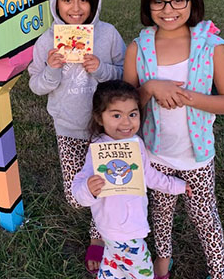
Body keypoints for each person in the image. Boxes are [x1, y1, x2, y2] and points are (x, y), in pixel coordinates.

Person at [123, 0, 224, 279]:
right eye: (158, 0)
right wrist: (149, 88)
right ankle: (163, 260)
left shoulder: (211, 47)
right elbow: (125, 107)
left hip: (197, 156)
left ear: (193, 1)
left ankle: (218, 269)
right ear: (148, 4)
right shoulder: (137, 49)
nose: (169, 9)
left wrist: (186, 96)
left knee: (206, 217)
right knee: (160, 213)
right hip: (155, 153)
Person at [28, 0, 126, 274]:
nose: (75, 8)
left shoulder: (107, 34)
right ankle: (101, 223)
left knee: (107, 184)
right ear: (56, 2)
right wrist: (51, 69)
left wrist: (101, 68)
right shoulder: (47, 41)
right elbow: (36, 86)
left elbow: (125, 75)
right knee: (77, 194)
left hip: (104, 128)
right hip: (69, 126)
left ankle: (101, 236)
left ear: (94, 1)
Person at [72, 80, 191, 279]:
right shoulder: (98, 148)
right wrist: (88, 188)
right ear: (99, 118)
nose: (126, 122)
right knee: (143, 272)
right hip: (120, 231)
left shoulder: (136, 143)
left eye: (132, 114)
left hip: (129, 226)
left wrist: (177, 185)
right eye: (116, 115)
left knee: (112, 267)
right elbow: (78, 190)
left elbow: (150, 176)